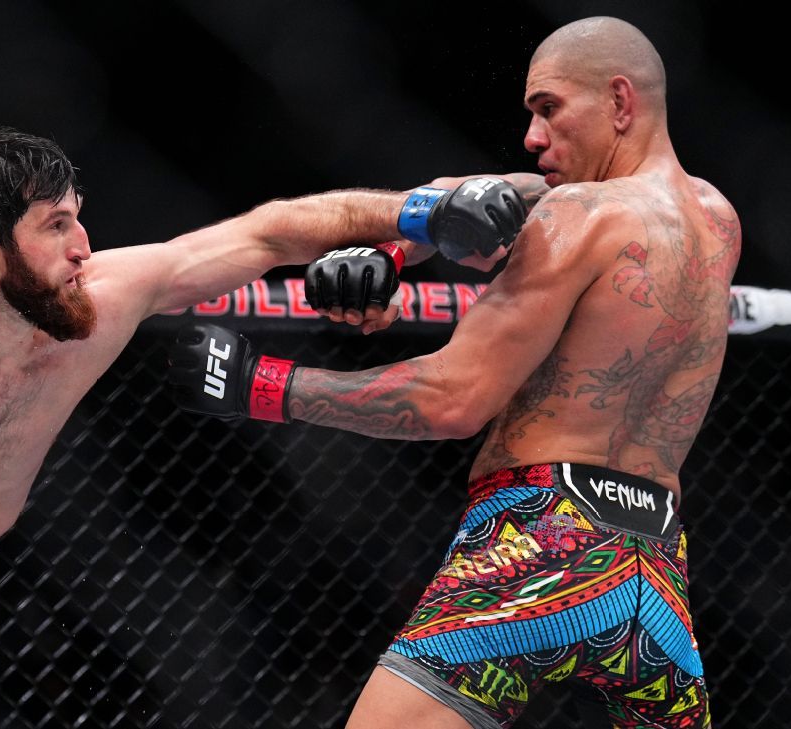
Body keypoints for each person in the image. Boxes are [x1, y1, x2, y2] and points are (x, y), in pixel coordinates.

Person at [0, 124, 522, 728]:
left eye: (78, 215)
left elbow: (266, 232)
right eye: (55, 226)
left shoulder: (100, 304)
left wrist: (422, 214)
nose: (85, 243)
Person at [169, 17, 737, 728]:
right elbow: (496, 192)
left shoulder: (576, 215)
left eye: (549, 108)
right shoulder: (716, 218)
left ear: (620, 102)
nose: (532, 136)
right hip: (655, 573)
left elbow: (451, 399)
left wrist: (261, 384)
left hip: (542, 543)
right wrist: (398, 246)